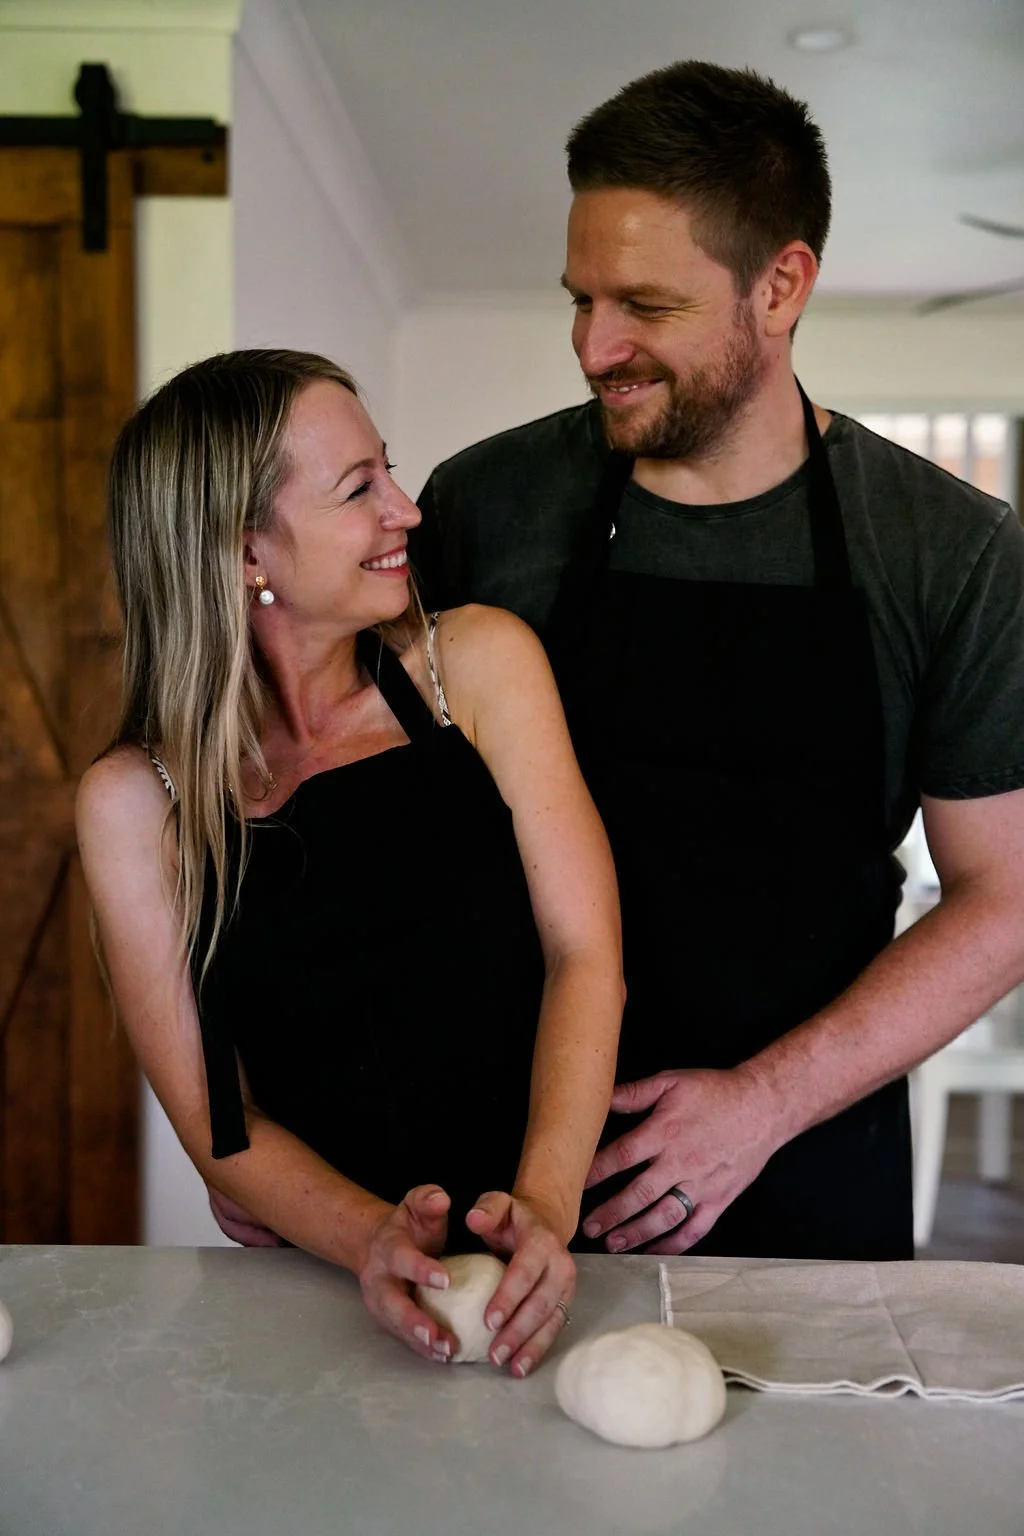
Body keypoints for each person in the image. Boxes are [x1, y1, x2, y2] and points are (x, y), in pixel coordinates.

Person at [410, 61, 1024, 1261]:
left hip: (799, 1170)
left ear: (780, 284)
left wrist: (763, 1106)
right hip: (490, 1160)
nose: (594, 346)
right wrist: (273, 1113)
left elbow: (1003, 898)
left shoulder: (948, 550)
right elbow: (362, 811)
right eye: (578, 299)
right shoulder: (485, 506)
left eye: (643, 305)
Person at [76, 349, 623, 1376]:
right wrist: (370, 1240)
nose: (407, 510)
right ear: (247, 553)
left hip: (549, 1264)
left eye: (391, 469)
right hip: (317, 1290)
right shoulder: (135, 802)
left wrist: (545, 1208)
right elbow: (216, 1120)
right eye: (358, 488)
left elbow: (584, 952)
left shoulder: (477, 667)